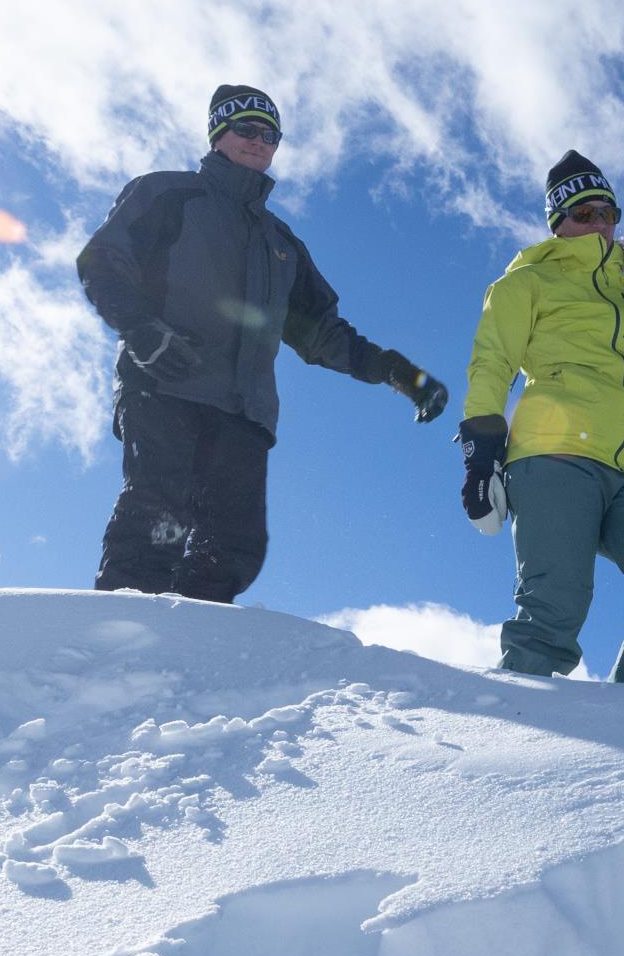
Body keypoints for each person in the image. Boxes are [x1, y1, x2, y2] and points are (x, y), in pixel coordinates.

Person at [76, 84, 446, 604]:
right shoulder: (166, 194)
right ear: (218, 134)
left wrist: (402, 374)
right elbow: (102, 263)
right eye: (247, 129)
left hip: (244, 412)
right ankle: (122, 632)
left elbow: (323, 335)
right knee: (159, 514)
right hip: (165, 383)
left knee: (235, 543)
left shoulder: (281, 244)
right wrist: (142, 332)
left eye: (270, 134)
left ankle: (194, 639)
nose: (260, 142)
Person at [456, 154, 624, 684]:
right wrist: (480, 459)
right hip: (552, 458)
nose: (598, 224)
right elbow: (492, 366)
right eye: (582, 214)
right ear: (558, 223)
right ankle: (519, 733)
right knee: (555, 603)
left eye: (607, 212)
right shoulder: (525, 283)